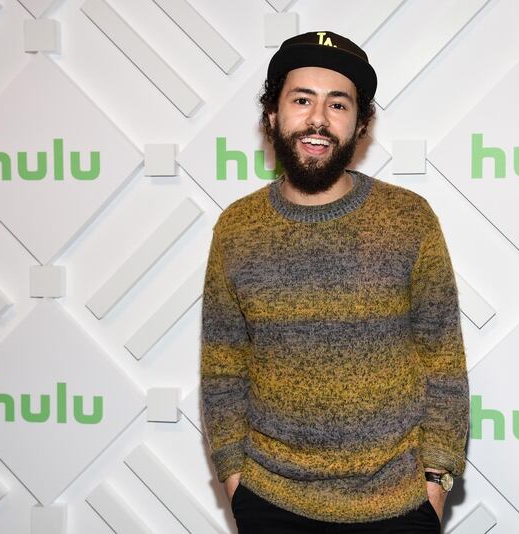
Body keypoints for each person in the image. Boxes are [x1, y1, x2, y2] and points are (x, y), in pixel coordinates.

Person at [201, 30, 469, 533]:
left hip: (398, 503)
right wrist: (236, 480)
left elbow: (443, 360)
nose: (318, 119)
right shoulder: (236, 228)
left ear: (360, 123)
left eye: (338, 104)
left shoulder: (408, 219)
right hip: (269, 499)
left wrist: (435, 479)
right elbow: (223, 368)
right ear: (271, 115)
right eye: (301, 99)